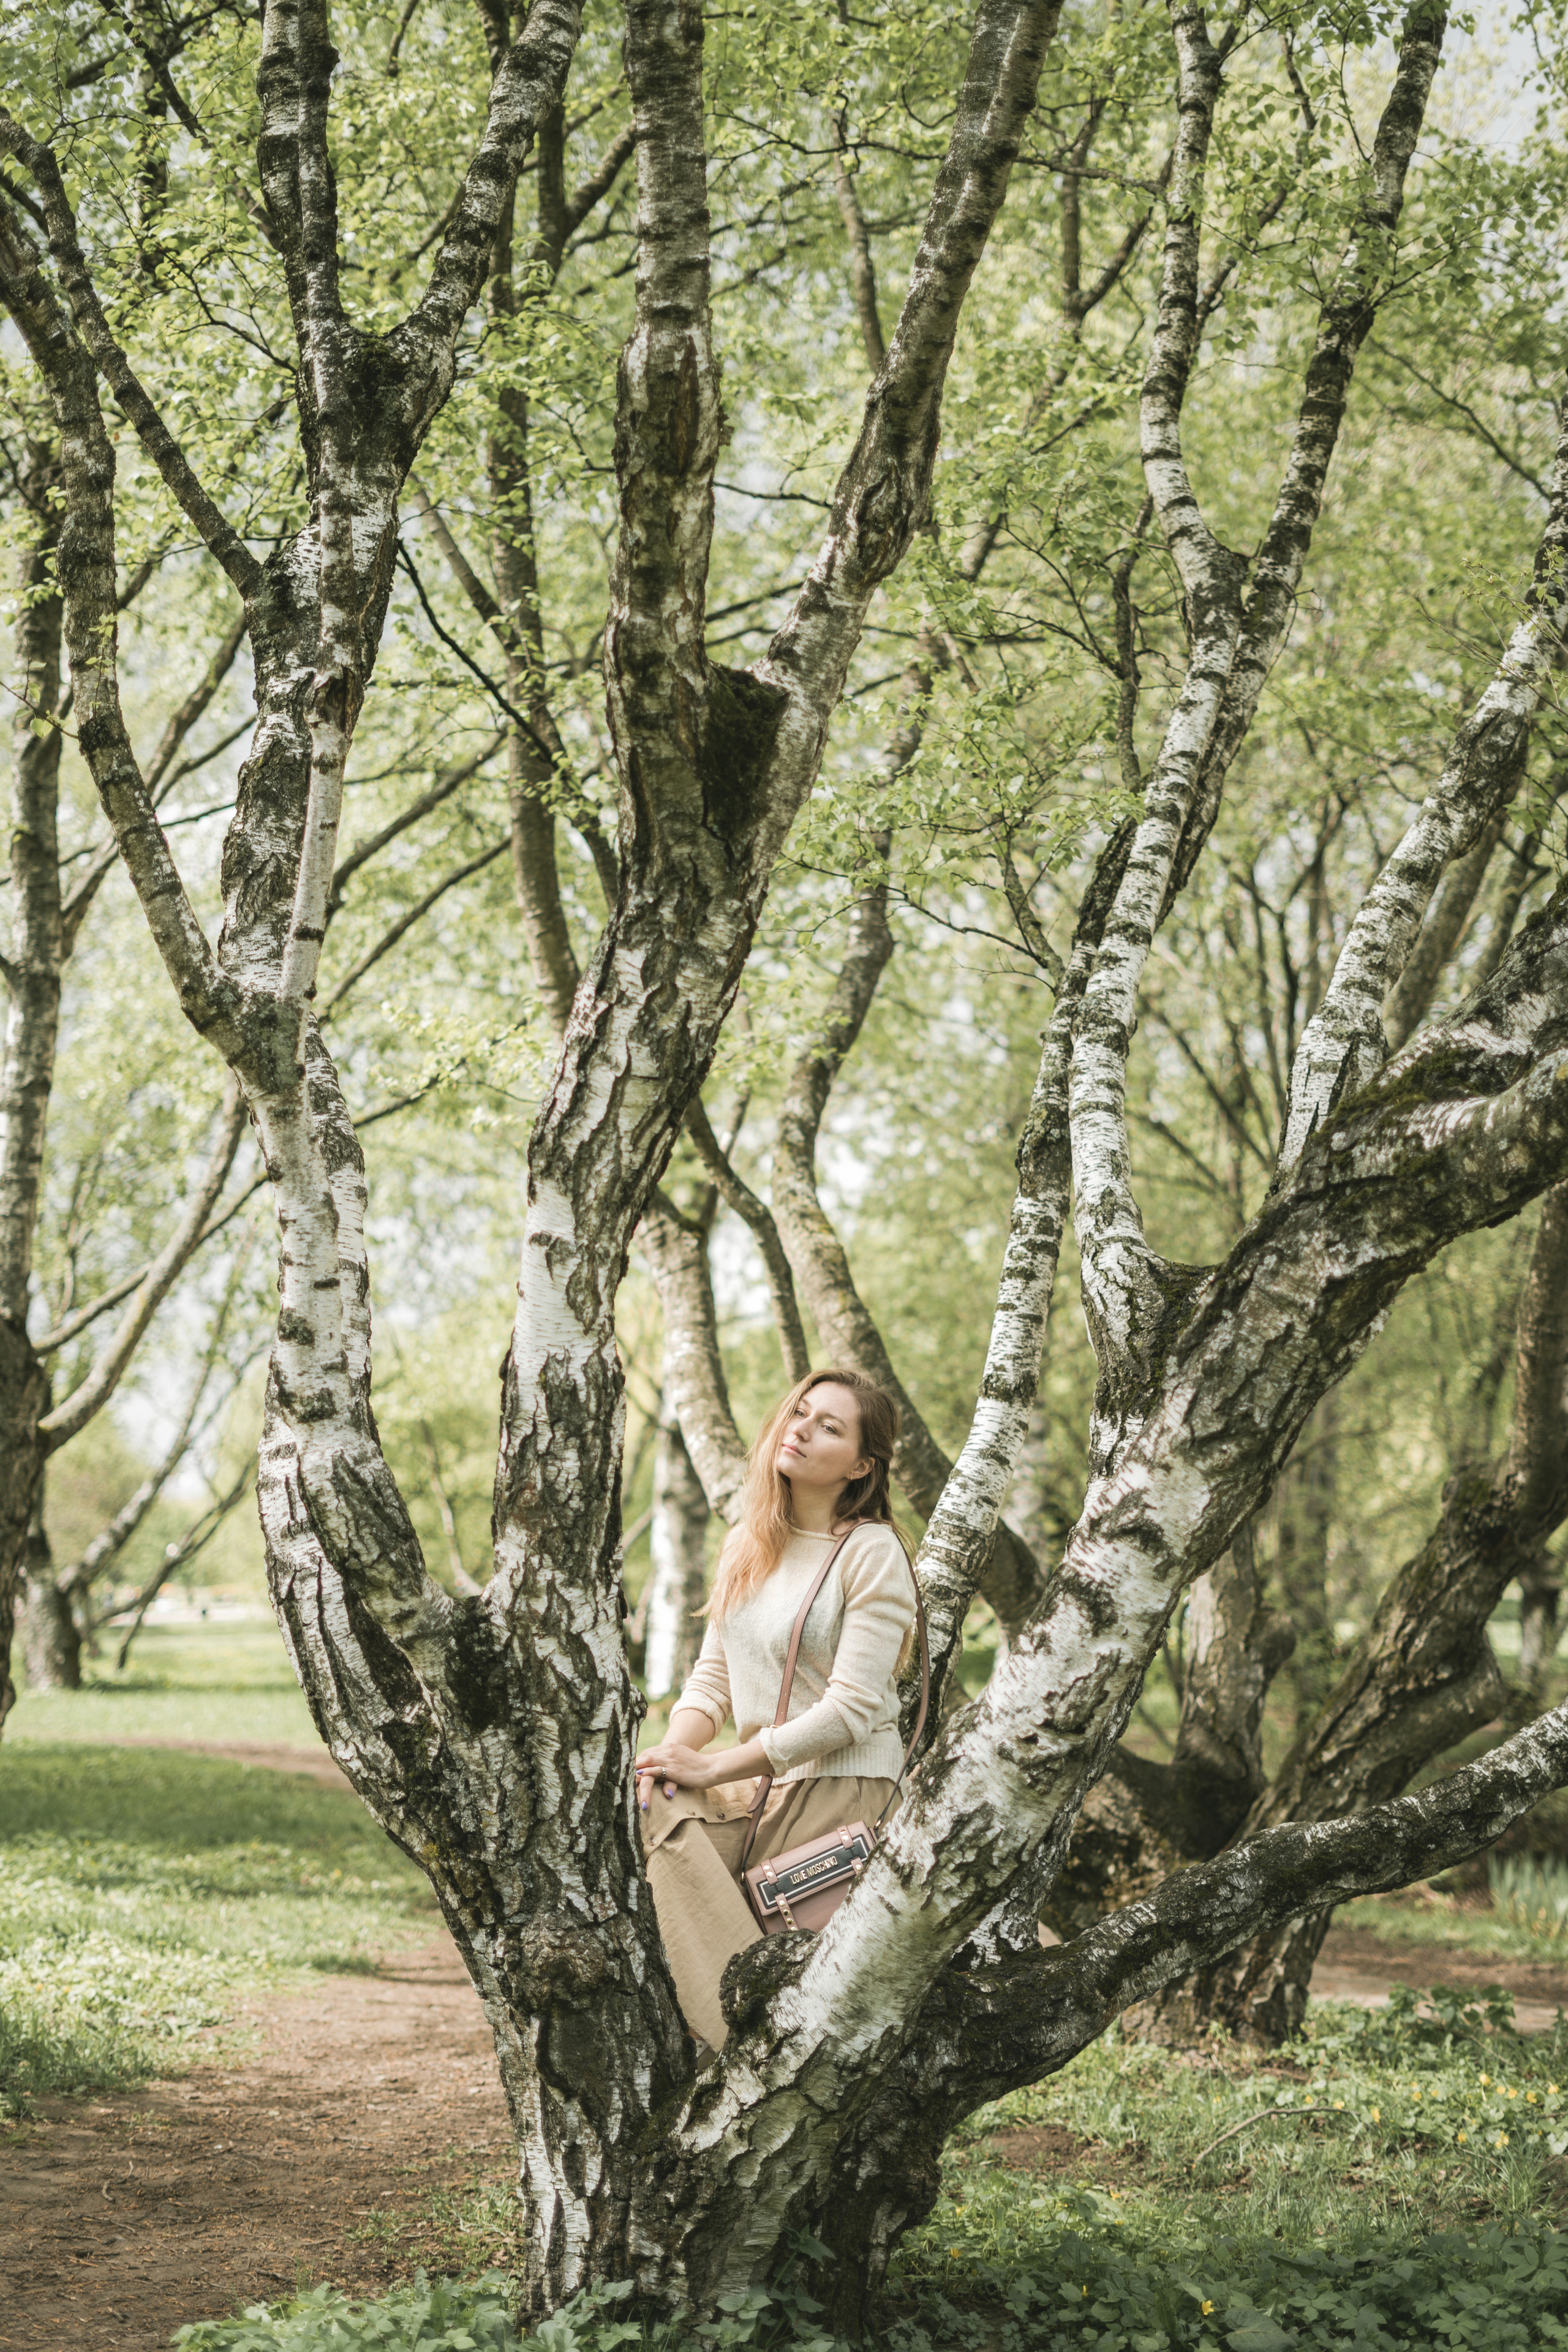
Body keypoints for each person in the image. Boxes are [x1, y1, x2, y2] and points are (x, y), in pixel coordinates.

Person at [633, 1366, 918, 2054]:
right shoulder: (748, 1540)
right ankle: (745, 2025)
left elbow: (849, 1711)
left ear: (859, 1466)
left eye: (831, 1427)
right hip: (760, 1783)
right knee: (649, 1799)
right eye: (799, 1411)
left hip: (840, 1786)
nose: (802, 1429)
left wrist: (717, 1765)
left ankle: (751, 2043)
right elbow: (712, 1679)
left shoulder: (870, 1551)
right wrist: (677, 1756)